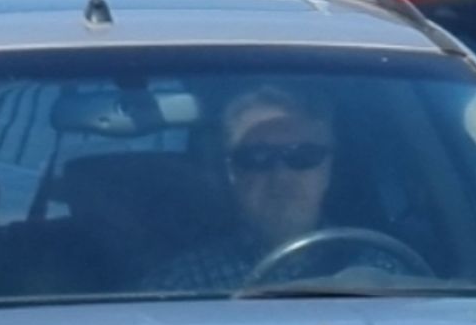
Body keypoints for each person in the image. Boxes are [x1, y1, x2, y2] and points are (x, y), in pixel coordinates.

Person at [152, 84, 362, 294]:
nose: (282, 176)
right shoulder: (181, 286)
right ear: (230, 172)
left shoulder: (383, 274)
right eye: (257, 157)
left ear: (328, 169)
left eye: (303, 156)